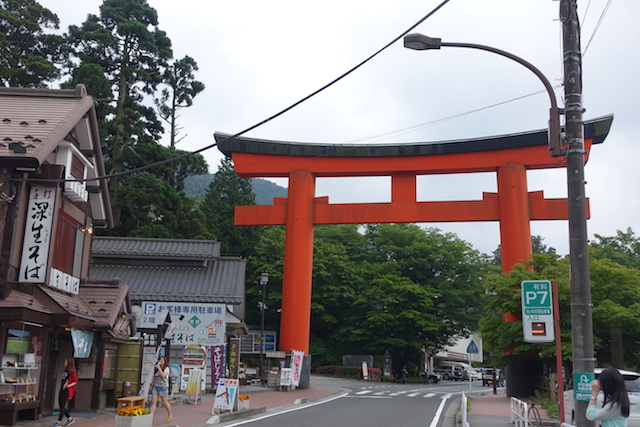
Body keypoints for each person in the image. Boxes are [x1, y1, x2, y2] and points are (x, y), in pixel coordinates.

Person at [51, 358, 77, 427]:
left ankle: (58, 422)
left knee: (62, 405)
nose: (64, 363)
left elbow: (75, 381)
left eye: (65, 361)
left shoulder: (72, 372)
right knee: (61, 404)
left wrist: (67, 386)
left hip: (66, 390)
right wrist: (61, 388)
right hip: (62, 389)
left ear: (69, 363)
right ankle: (69, 418)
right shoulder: (66, 371)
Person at [150, 356, 173, 422]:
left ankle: (170, 415)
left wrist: (159, 368)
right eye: (160, 360)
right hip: (156, 387)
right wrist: (151, 386)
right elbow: (154, 378)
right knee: (153, 402)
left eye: (162, 360)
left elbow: (163, 375)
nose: (161, 361)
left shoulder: (167, 368)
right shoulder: (156, 369)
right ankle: (151, 416)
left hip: (163, 387)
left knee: (164, 402)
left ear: (165, 361)